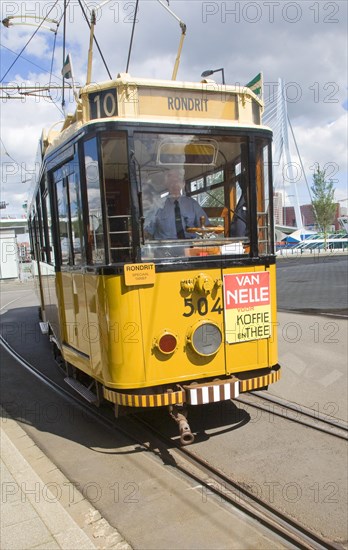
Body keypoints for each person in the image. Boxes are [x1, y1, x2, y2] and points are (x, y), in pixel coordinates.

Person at [145, 168, 209, 239]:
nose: (175, 184)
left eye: (178, 181)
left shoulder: (192, 204)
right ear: (166, 184)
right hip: (165, 247)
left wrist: (218, 228)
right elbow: (147, 231)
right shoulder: (158, 205)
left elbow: (206, 226)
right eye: (172, 181)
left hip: (190, 246)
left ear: (183, 184)